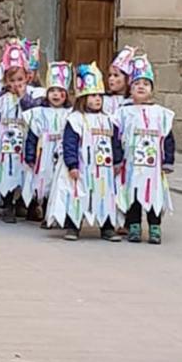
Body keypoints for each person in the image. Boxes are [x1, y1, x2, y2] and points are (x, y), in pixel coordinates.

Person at [47, 63, 122, 242]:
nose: (98, 99)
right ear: (83, 98)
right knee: (78, 196)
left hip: (104, 170)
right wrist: (72, 164)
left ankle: (107, 227)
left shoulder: (109, 120)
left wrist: (117, 161)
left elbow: (115, 143)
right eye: (93, 95)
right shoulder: (75, 120)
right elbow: (69, 144)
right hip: (82, 168)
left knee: (105, 197)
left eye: (100, 96)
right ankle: (73, 226)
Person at [115, 54, 175, 245]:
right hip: (130, 165)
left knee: (153, 195)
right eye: (136, 84)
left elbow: (167, 138)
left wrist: (168, 161)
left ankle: (154, 227)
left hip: (153, 167)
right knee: (132, 195)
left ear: (152, 89)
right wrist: (117, 159)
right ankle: (133, 225)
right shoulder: (123, 113)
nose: (141, 87)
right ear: (130, 89)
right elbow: (115, 137)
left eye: (145, 84)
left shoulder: (161, 114)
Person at [0, 41, 41, 223]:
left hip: (25, 142)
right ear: (5, 80)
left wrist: (22, 97)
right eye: (12, 80)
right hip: (6, 145)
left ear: (27, 77)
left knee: (26, 173)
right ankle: (7, 203)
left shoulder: (33, 95)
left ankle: (28, 204)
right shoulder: (0, 98)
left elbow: (33, 114)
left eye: (20, 79)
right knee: (7, 173)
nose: (16, 84)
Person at [21, 62, 73, 223]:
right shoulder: (38, 113)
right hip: (43, 152)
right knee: (41, 179)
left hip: (61, 152)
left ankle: (56, 210)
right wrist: (30, 156)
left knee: (58, 180)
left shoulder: (71, 113)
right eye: (52, 91)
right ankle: (36, 207)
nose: (56, 95)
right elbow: (32, 135)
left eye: (60, 91)